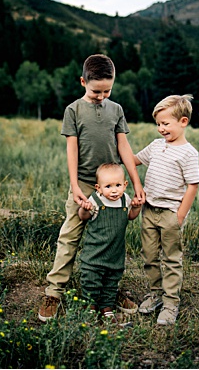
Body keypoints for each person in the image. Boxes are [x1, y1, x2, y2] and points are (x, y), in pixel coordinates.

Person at [39, 53, 145, 322]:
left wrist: (135, 182)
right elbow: (71, 149)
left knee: (111, 239)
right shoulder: (73, 110)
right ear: (83, 82)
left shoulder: (116, 110)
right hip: (85, 184)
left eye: (107, 91)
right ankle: (54, 293)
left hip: (113, 186)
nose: (101, 96)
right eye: (96, 91)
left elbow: (124, 146)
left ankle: (109, 291)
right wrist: (75, 185)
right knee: (70, 237)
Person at [133, 94, 199, 329]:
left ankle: (171, 302)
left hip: (170, 213)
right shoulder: (156, 146)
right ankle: (155, 293)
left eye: (165, 124)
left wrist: (180, 216)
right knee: (149, 255)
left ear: (183, 122)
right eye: (158, 124)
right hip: (149, 211)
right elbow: (134, 160)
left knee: (171, 258)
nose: (161, 129)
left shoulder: (188, 153)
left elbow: (193, 185)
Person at [76, 161, 142, 316]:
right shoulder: (96, 200)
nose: (114, 190)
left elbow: (130, 216)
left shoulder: (125, 200)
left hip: (115, 254)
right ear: (98, 188)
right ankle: (90, 306)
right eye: (108, 186)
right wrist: (84, 209)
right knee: (91, 280)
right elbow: (83, 217)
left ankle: (107, 307)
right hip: (95, 253)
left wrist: (136, 207)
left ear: (125, 185)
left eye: (118, 185)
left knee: (111, 282)